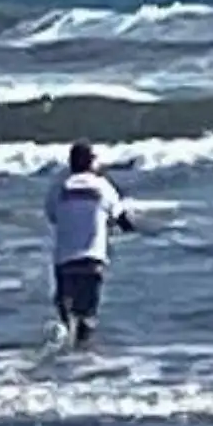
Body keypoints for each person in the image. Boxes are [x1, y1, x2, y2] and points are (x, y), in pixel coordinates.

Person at [44, 140, 136, 346]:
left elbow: (53, 216)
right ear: (92, 163)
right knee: (87, 317)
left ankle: (65, 348)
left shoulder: (58, 189)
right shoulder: (104, 187)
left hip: (64, 262)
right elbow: (123, 221)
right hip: (92, 261)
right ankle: (82, 358)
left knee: (65, 311)